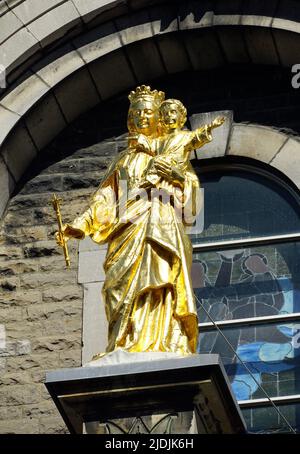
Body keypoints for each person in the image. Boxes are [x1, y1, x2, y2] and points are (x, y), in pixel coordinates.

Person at [56, 86, 218, 357]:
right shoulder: (124, 160)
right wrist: (80, 225)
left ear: (159, 118)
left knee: (162, 279)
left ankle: (165, 340)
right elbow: (105, 199)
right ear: (130, 118)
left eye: (148, 112)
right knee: (116, 289)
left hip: (161, 226)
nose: (142, 117)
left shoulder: (169, 154)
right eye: (136, 113)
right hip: (126, 232)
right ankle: (122, 342)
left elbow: (191, 203)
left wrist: (177, 177)